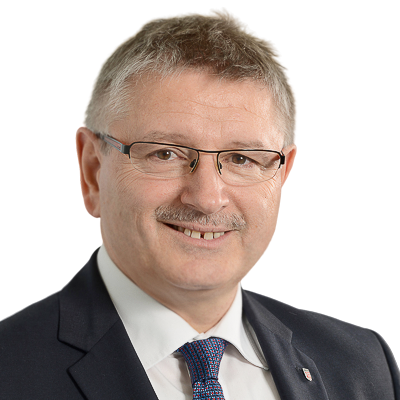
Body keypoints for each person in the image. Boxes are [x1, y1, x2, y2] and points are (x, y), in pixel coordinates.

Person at [0, 8, 399, 400]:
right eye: (165, 154)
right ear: (92, 170)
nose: (207, 199)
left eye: (242, 158)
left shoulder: (362, 363)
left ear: (282, 175)